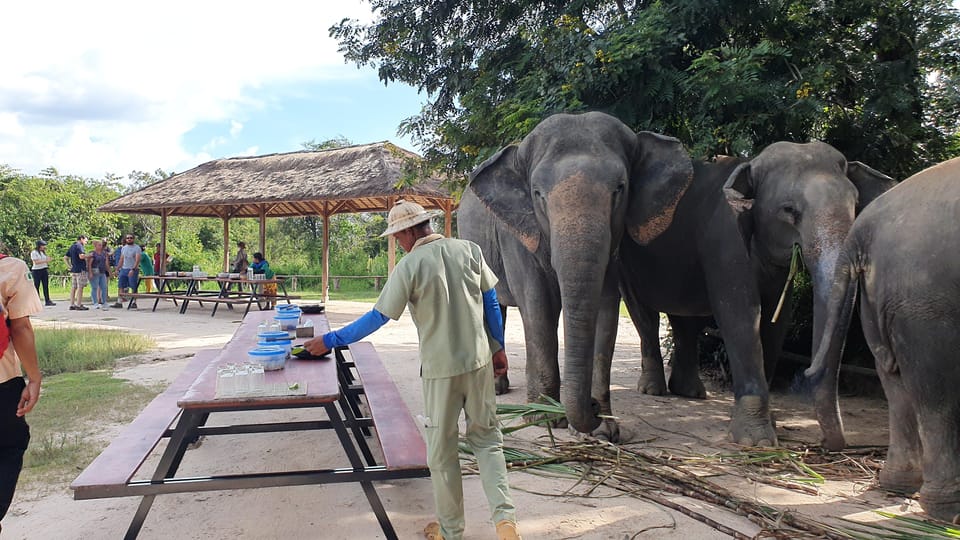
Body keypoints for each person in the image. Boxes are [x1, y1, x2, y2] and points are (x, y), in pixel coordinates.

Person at [303, 200, 521, 540]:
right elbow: (491, 300)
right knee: (488, 442)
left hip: (441, 371)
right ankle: (505, 523)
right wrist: (499, 347)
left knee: (443, 453)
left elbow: (378, 317)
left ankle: (451, 532)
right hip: (479, 363)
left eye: (396, 237)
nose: (397, 243)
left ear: (407, 231)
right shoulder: (469, 250)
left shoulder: (409, 266)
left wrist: (330, 340)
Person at [0, 249, 43, 533]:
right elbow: (21, 328)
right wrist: (35, 378)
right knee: (8, 449)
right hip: (2, 383)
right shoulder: (9, 269)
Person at [112, 234, 141, 309]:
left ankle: (134, 302)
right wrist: (117, 269)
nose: (129, 239)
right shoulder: (124, 248)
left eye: (131, 238)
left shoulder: (137, 248)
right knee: (121, 285)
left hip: (132, 269)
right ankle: (119, 301)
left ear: (133, 239)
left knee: (133, 286)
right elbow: (121, 259)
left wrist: (133, 269)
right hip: (124, 269)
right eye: (127, 238)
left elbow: (137, 260)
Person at [63, 235, 88, 311]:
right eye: (86, 241)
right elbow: (81, 256)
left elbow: (65, 257)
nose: (86, 243)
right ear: (81, 239)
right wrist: (89, 255)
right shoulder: (79, 246)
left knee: (74, 287)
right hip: (80, 270)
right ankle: (79, 304)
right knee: (80, 287)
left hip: (74, 269)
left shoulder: (72, 246)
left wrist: (69, 266)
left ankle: (72, 304)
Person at [28, 241, 54, 306]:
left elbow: (45, 259)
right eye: (43, 245)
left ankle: (47, 300)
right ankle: (36, 301)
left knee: (45, 285)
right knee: (36, 286)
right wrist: (46, 260)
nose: (44, 247)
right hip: (36, 270)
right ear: (39, 246)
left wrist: (49, 259)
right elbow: (36, 262)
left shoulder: (43, 253)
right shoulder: (34, 252)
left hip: (44, 269)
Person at [86, 240, 111, 310]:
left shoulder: (104, 253)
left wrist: (110, 272)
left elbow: (106, 263)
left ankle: (104, 302)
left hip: (102, 272)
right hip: (95, 272)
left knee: (104, 287)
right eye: (99, 245)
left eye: (101, 245)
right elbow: (89, 264)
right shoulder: (92, 253)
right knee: (94, 287)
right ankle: (95, 302)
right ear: (95, 246)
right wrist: (90, 272)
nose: (100, 246)